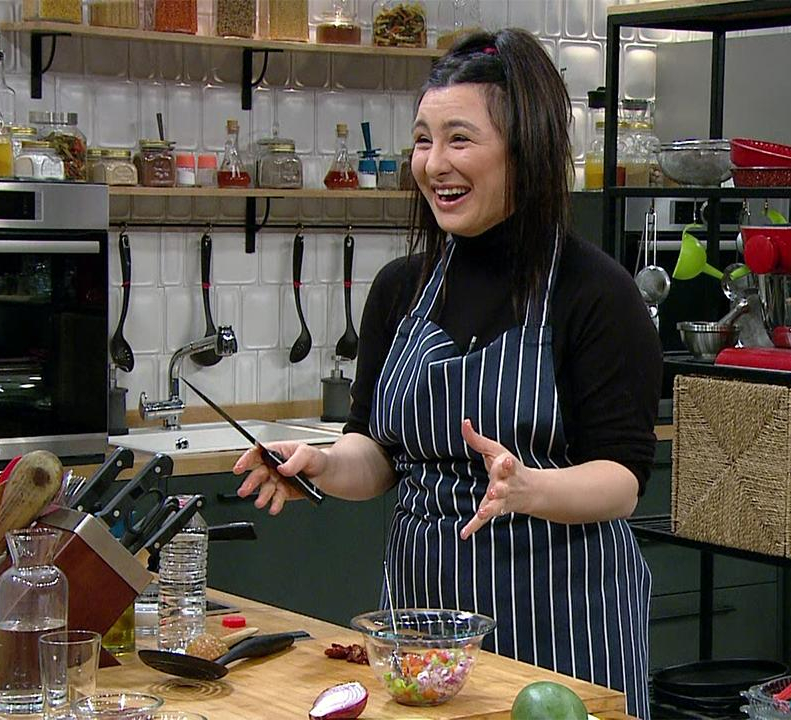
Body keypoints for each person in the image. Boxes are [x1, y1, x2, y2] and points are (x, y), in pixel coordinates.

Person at [233, 28, 662, 718]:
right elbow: (377, 454)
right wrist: (320, 464)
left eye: (459, 139)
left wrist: (526, 487)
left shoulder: (595, 293)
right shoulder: (401, 288)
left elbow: (622, 482)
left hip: (562, 621)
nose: (434, 164)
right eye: (423, 140)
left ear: (526, 149)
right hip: (424, 630)